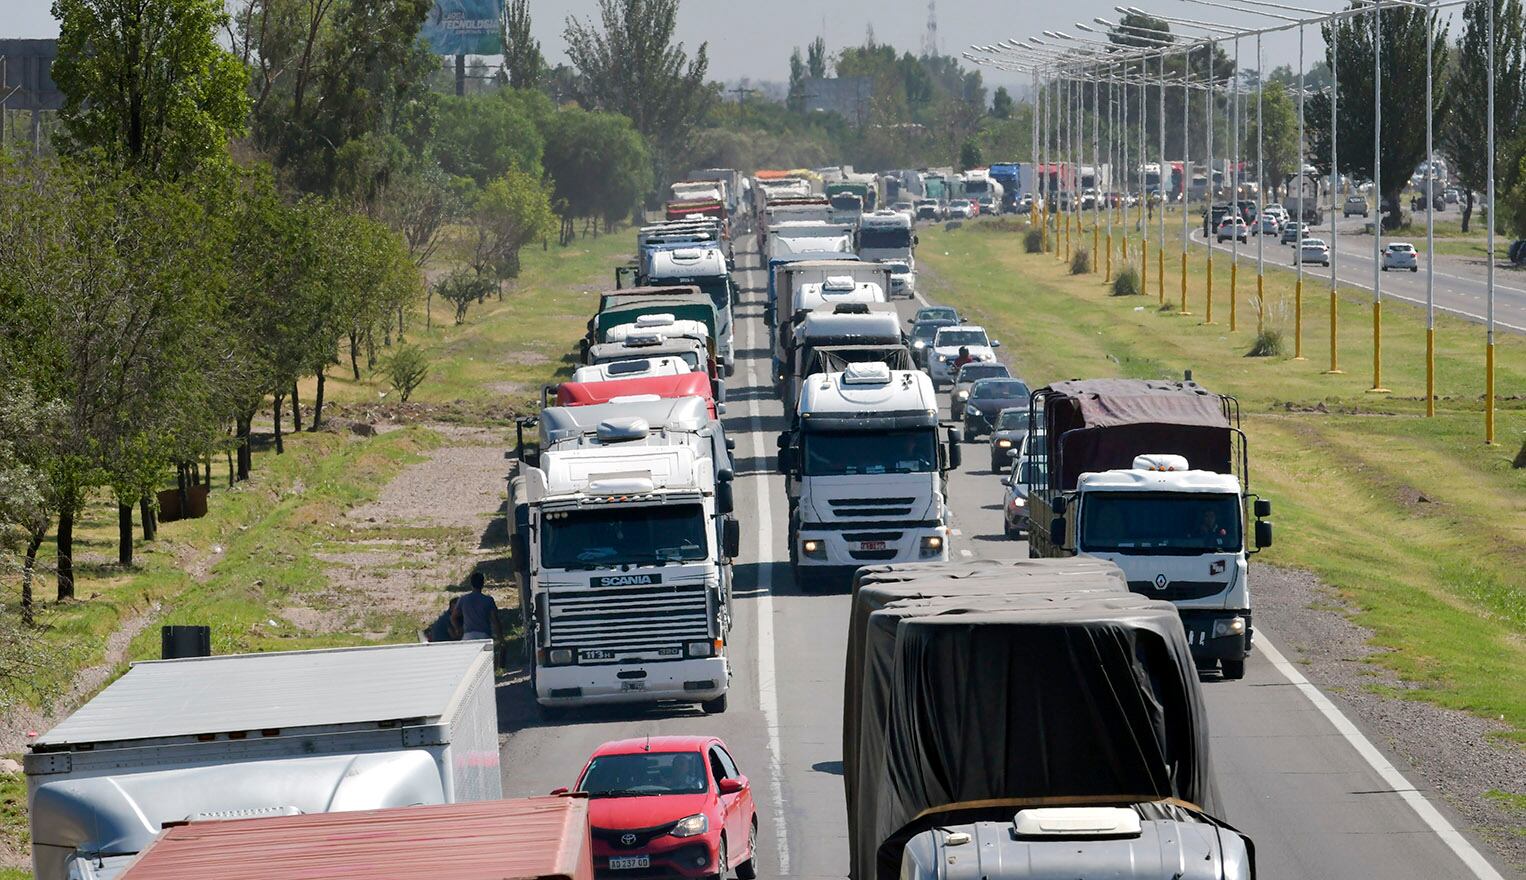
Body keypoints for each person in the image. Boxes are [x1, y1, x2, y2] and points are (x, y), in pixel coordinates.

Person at [452, 571, 501, 643]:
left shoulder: (463, 599)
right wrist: (501, 639)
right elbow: (495, 620)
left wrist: (458, 629)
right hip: (484, 635)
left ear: (471, 584)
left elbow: (453, 617)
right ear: (482, 584)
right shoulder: (488, 600)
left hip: (468, 635)